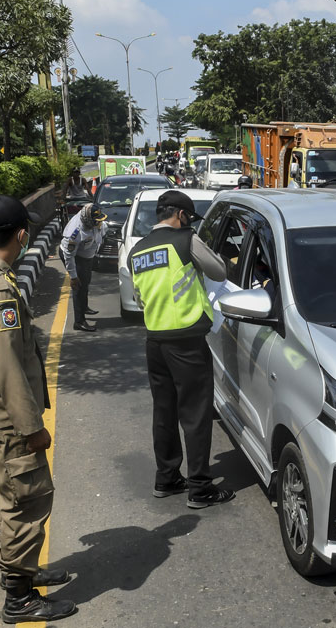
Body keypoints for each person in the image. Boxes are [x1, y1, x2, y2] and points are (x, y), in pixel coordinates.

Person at [0, 195, 76, 624]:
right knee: (28, 499)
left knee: (12, 494)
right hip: (8, 419)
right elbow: (5, 366)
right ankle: (19, 598)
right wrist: (31, 427)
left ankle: (24, 570)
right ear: (22, 236)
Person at [128, 190, 235, 509]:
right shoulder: (186, 240)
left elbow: (139, 298)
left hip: (155, 341)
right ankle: (200, 488)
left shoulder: (138, 250)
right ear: (182, 215)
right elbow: (219, 271)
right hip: (187, 341)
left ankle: (167, 478)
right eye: (189, 218)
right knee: (196, 414)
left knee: (164, 412)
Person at [59, 203, 106, 332]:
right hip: (75, 257)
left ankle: (84, 307)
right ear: (88, 220)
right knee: (78, 286)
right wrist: (73, 277)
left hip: (87, 256)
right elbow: (69, 255)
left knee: (86, 281)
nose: (99, 223)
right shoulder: (75, 232)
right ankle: (79, 321)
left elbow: (102, 231)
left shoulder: (97, 222)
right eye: (96, 221)